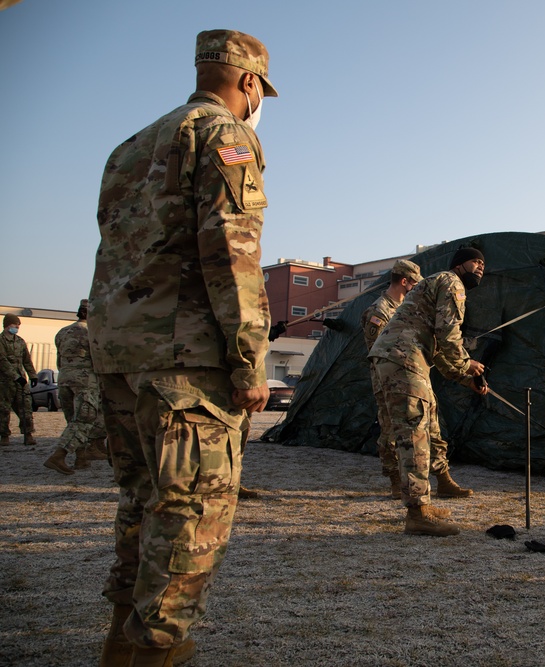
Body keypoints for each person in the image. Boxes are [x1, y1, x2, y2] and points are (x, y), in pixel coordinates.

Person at [89, 30, 276, 666]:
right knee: (190, 518)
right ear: (249, 83)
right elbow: (232, 249)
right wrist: (250, 358)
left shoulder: (131, 146)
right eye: (261, 92)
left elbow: (114, 247)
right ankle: (158, 652)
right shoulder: (224, 133)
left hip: (121, 357)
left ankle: (120, 649)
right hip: (185, 362)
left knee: (144, 505)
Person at [369, 248, 489, 537]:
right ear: (460, 265)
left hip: (403, 359)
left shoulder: (436, 283)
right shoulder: (452, 283)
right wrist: (466, 364)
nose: (481, 267)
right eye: (476, 261)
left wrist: (464, 377)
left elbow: (437, 349)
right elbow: (449, 335)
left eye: (484, 264)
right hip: (404, 358)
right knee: (415, 434)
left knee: (419, 429)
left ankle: (421, 504)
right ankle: (418, 514)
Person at [44, 299, 108, 475]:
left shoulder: (62, 332)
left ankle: (81, 459)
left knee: (73, 420)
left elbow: (59, 361)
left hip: (64, 379)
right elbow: (101, 360)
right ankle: (59, 455)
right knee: (83, 420)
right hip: (86, 382)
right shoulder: (92, 332)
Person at [0, 313, 38, 446]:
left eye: (18, 325)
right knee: (4, 410)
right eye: (15, 325)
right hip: (5, 382)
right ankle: (4, 436)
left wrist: (33, 376)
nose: (17, 327)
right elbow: (2, 362)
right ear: (7, 325)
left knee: (26, 408)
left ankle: (28, 434)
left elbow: (27, 360)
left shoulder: (20, 341)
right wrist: (15, 377)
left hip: (21, 382)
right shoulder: (1, 341)